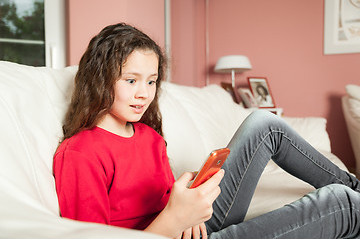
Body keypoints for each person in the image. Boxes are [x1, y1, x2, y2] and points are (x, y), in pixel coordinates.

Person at [53, 22, 360, 239]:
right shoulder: (82, 153)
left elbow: (165, 200)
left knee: (264, 125)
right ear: (99, 80)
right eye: (131, 81)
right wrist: (175, 218)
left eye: (151, 81)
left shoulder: (149, 137)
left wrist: (187, 202)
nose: (144, 93)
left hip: (192, 228)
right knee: (340, 204)